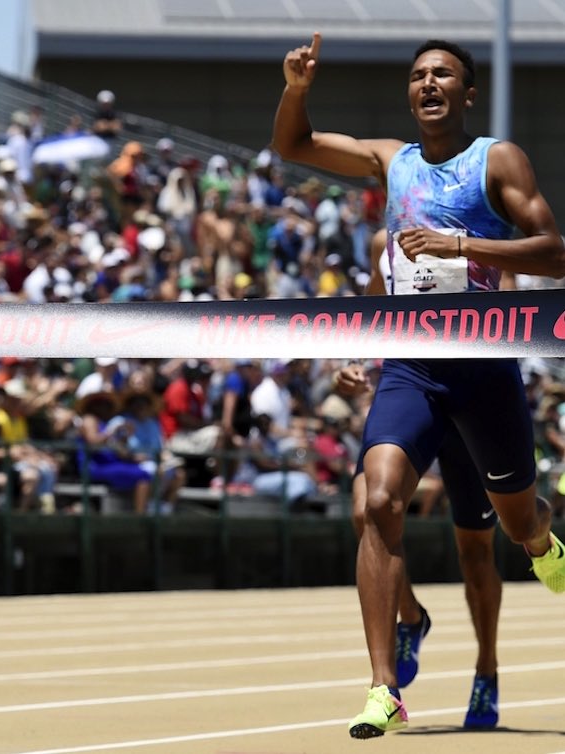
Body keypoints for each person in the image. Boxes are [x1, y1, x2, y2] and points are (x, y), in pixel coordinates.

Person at [272, 34, 565, 739]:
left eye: (443, 75)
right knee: (375, 500)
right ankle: (384, 689)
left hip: (486, 367)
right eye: (417, 76)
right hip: (410, 369)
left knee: (516, 524)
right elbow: (296, 145)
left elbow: (554, 250)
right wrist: (297, 88)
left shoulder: (496, 159)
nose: (428, 84)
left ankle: (544, 545)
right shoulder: (389, 161)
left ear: (466, 94)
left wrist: (460, 245)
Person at [335, 228, 502, 729]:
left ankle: (486, 672)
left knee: (476, 552)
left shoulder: (474, 224)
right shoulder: (381, 240)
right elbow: (372, 306)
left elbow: (510, 304)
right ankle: (409, 621)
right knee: (369, 506)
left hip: (472, 393)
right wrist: (355, 361)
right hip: (411, 390)